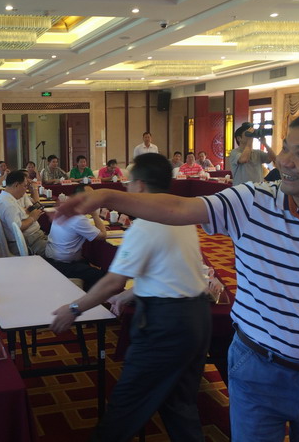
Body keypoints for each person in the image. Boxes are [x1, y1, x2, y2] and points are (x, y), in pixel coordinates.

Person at [55, 110, 299, 441]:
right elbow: (179, 208)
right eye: (285, 147)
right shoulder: (252, 201)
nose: (284, 161)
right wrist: (107, 195)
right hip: (257, 368)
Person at [51, 153, 210, 442]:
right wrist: (131, 294)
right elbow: (171, 268)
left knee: (125, 406)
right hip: (197, 318)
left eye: (128, 183)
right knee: (179, 404)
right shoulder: (182, 218)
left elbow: (112, 282)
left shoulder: (145, 225)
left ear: (140, 186)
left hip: (165, 326)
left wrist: (73, 308)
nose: (125, 188)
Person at [45, 185, 107, 290]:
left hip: (52, 258)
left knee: (88, 264)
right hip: (62, 265)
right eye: (91, 197)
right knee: (102, 276)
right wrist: (95, 215)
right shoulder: (78, 219)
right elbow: (103, 236)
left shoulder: (64, 210)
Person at [0, 170, 47, 256]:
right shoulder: (9, 204)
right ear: (16, 185)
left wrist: (27, 212)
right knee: (62, 251)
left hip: (33, 238)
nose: (26, 189)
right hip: (29, 242)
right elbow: (18, 227)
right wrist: (32, 218)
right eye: (25, 186)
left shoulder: (4, 198)